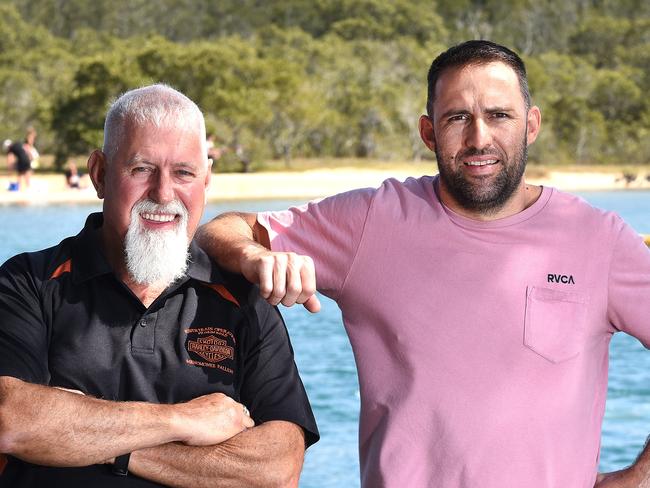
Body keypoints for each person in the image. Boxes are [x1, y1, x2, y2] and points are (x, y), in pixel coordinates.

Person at [197, 40, 650, 488]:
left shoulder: (598, 239)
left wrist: (636, 478)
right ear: (429, 132)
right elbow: (222, 229)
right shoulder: (371, 222)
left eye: (499, 115)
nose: (479, 138)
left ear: (530, 125)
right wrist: (254, 255)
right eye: (458, 118)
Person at [0, 84, 318, 487]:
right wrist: (184, 420)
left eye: (184, 173)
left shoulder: (244, 299)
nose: (164, 193)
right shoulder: (27, 282)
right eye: (142, 169)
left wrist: (95, 439)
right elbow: (12, 420)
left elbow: (277, 469)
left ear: (206, 181)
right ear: (99, 175)